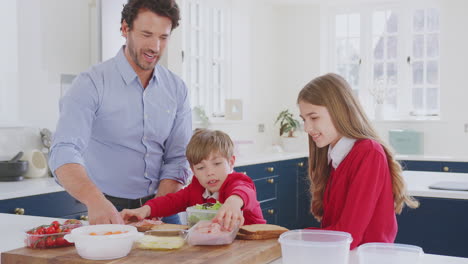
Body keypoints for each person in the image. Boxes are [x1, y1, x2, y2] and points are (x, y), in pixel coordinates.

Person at [48, 0, 192, 225]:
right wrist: (95, 201)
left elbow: (177, 158)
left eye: (163, 37)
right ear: (125, 29)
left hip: (162, 206)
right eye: (146, 34)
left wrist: (155, 210)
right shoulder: (91, 83)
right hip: (107, 208)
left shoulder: (176, 89)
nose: (155, 46)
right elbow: (64, 150)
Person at [297, 73, 419, 249]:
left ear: (340, 111)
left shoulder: (369, 153)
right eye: (304, 120)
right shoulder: (334, 158)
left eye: (314, 117)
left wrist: (295, 236)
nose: (307, 128)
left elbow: (347, 236)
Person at [120, 129, 266, 231]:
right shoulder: (195, 189)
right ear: (193, 169)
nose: (210, 173)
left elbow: (244, 191)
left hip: (254, 243)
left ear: (231, 162)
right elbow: (171, 201)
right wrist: (144, 210)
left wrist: (233, 203)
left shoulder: (237, 181)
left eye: (217, 164)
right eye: (201, 168)